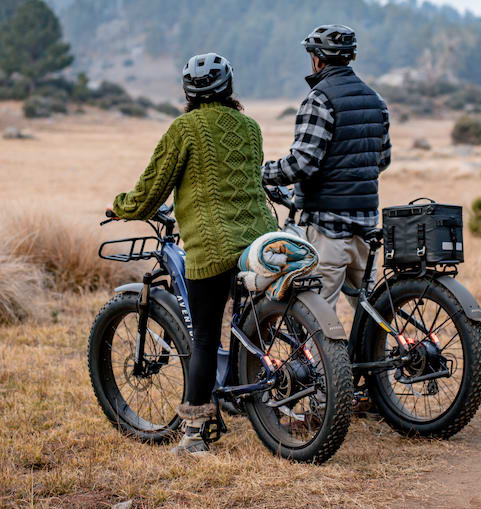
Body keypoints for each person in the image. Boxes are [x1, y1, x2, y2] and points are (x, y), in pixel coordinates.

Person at [108, 53, 276, 456]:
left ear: (188, 93)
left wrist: (121, 207)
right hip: (258, 242)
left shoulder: (184, 129)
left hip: (211, 247)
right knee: (256, 328)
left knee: (203, 336)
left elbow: (152, 190)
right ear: (229, 89)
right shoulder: (250, 127)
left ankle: (195, 435)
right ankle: (262, 399)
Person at [262, 24, 391, 311]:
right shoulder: (376, 100)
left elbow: (301, 163)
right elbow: (383, 160)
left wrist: (263, 173)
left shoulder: (319, 99)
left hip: (327, 227)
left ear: (318, 58)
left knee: (319, 318)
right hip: (367, 225)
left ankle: (326, 359)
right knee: (370, 315)